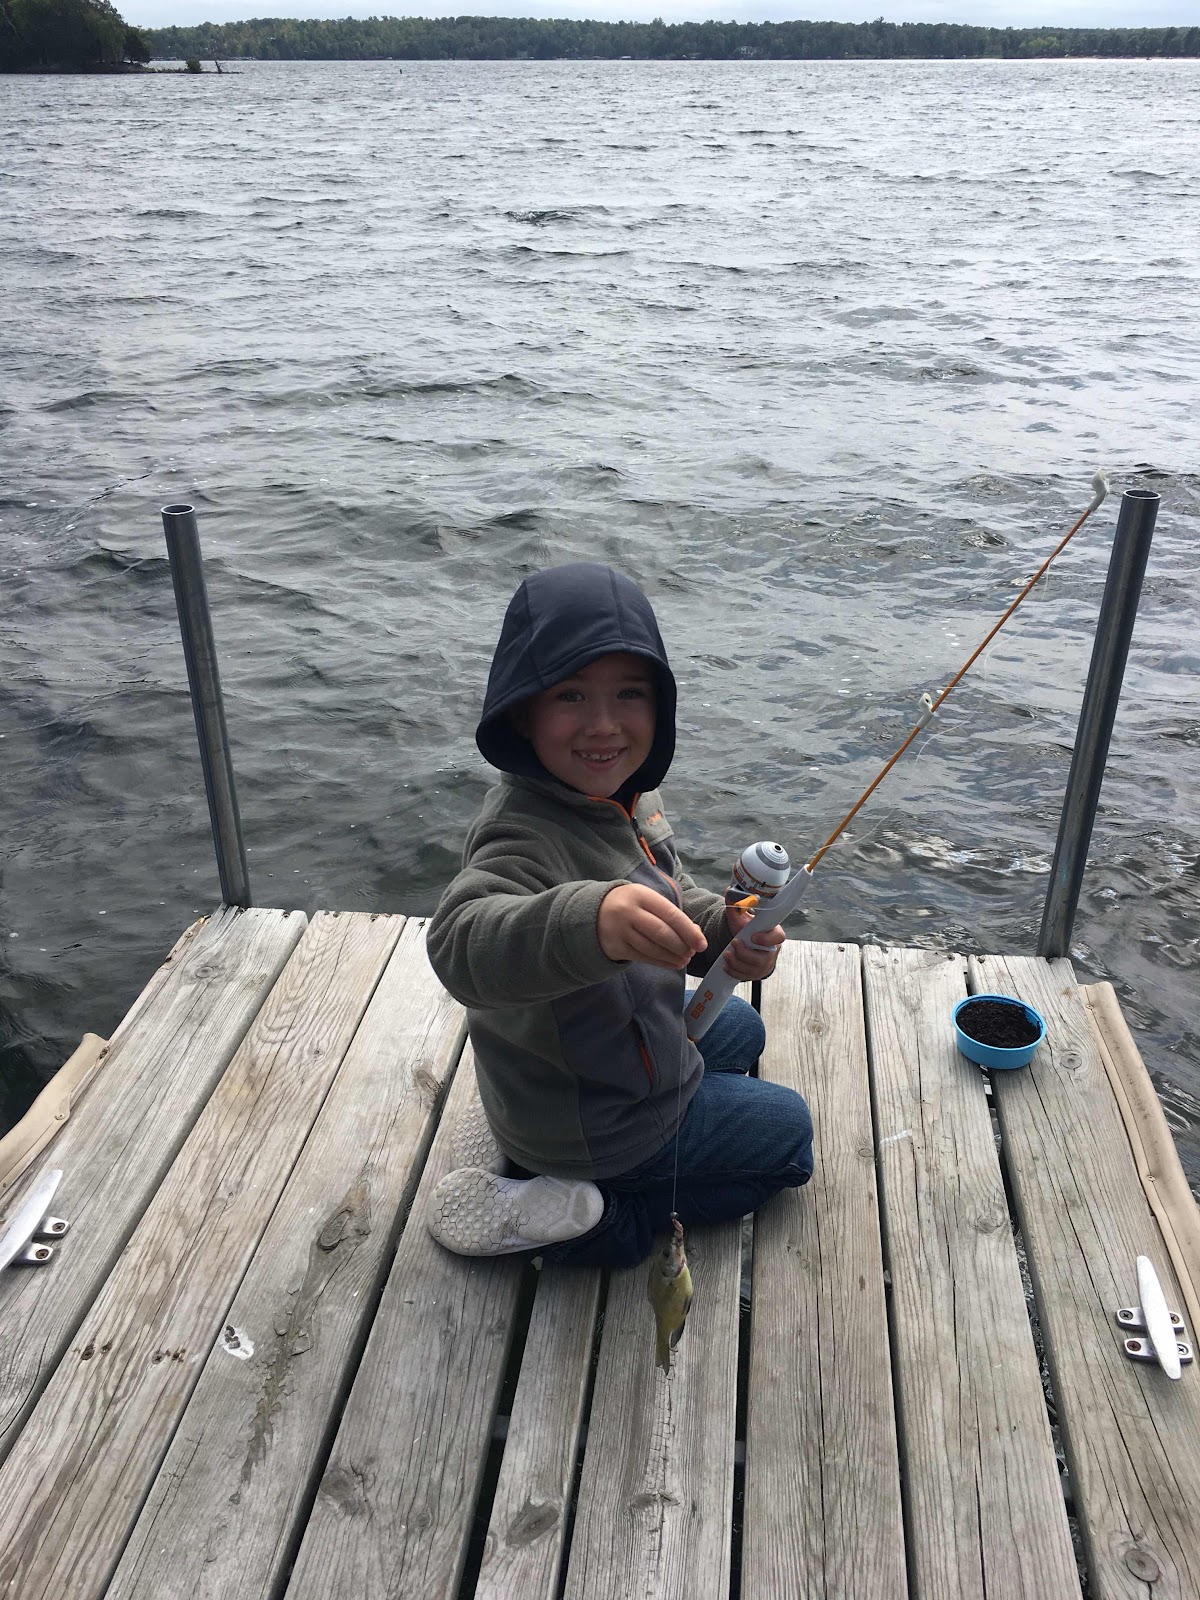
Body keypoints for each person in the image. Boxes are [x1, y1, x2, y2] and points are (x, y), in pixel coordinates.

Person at [425, 562, 813, 1266]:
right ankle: (593, 1216)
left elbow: (672, 892)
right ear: (522, 711)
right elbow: (461, 944)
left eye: (629, 694)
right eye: (571, 694)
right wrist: (591, 921)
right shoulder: (520, 830)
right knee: (789, 1136)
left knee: (744, 1029)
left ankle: (532, 1149)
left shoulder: (626, 795)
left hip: (579, 1055)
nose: (603, 725)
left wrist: (724, 930)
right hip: (591, 1122)